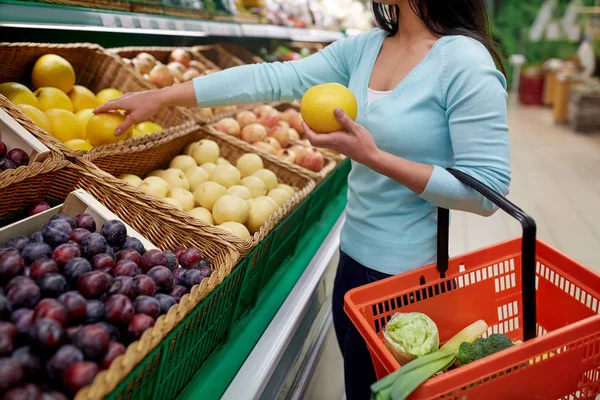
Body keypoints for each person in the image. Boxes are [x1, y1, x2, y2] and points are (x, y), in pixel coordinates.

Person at [95, 0, 511, 397]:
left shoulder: (463, 62)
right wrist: (163, 95)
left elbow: (486, 190)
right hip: (351, 267)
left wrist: (374, 158)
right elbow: (271, 78)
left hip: (405, 283)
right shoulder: (367, 47)